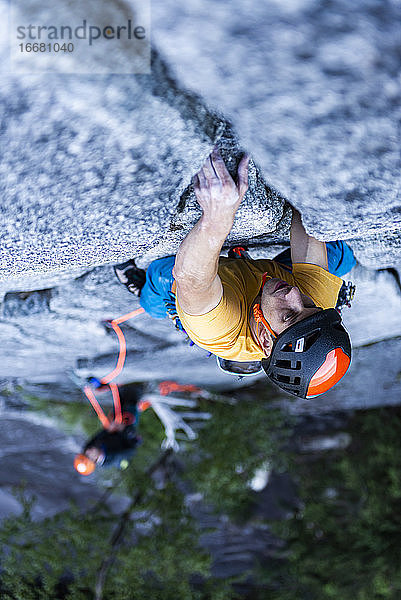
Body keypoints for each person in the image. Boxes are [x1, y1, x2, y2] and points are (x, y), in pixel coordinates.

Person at [115, 149, 356, 398]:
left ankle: (144, 294)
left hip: (200, 291)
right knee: (340, 254)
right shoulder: (316, 307)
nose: (295, 294)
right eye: (308, 305)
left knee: (161, 276)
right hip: (265, 282)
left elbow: (190, 278)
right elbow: (306, 220)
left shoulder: (220, 329)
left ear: (264, 338)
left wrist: (218, 218)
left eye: (288, 315)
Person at [74, 388, 142, 475]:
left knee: (119, 400)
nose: (87, 451)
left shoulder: (89, 446)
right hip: (127, 434)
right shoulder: (113, 460)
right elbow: (132, 449)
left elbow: (99, 435)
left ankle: (119, 390)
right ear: (95, 460)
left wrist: (109, 428)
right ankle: (135, 397)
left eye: (84, 453)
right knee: (132, 402)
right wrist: (123, 430)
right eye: (88, 456)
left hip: (114, 427)